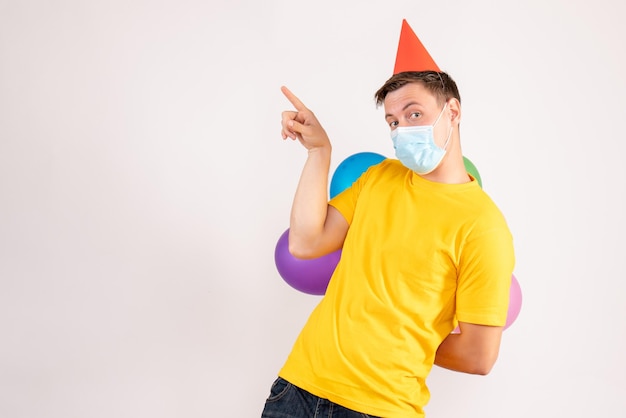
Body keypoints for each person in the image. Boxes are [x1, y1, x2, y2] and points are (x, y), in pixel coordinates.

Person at [261, 24, 514, 418]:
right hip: (297, 390)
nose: (402, 129)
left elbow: (480, 356)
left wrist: (403, 339)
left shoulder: (483, 226)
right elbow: (305, 243)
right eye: (394, 122)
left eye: (414, 114)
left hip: (381, 409)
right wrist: (318, 152)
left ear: (453, 111)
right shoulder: (378, 178)